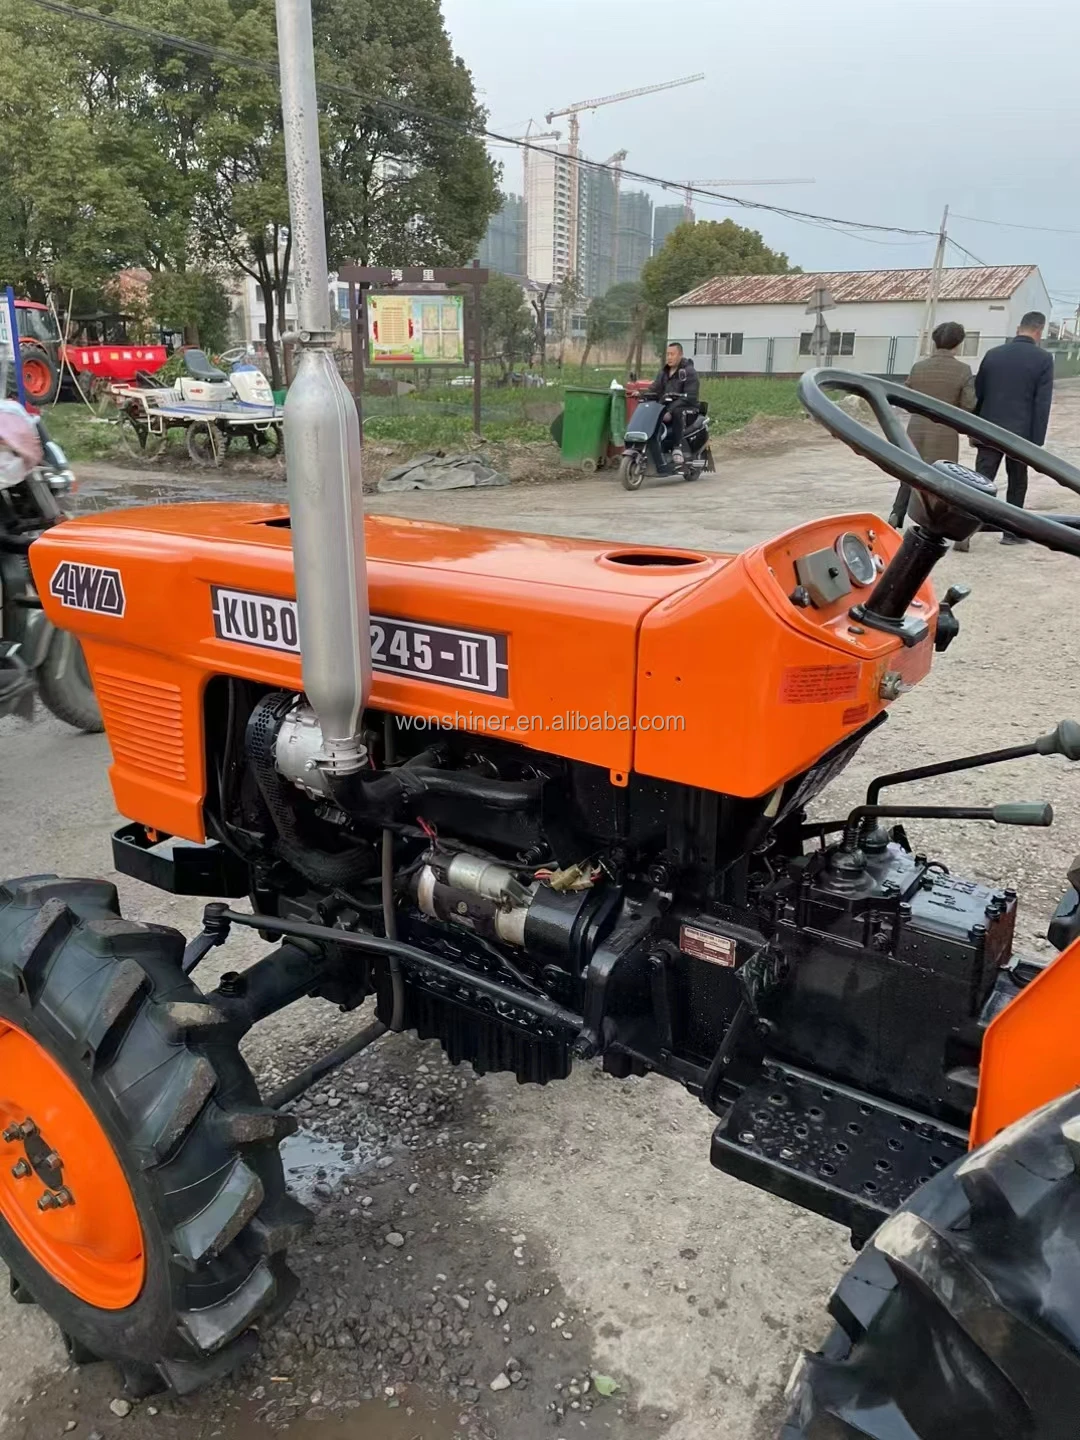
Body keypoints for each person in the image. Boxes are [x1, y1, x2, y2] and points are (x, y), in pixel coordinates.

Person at [973, 311, 1054, 546]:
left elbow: (980, 391)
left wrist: (976, 425)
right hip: (1021, 433)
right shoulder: (1043, 359)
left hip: (989, 427)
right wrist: (1036, 441)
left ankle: (967, 528)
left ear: (1019, 328)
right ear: (1039, 331)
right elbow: (1042, 403)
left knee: (980, 479)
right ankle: (1011, 533)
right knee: (1017, 479)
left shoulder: (993, 354)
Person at [889, 321, 976, 528]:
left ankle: (897, 512)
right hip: (945, 431)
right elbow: (968, 404)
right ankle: (936, 522)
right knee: (942, 479)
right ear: (958, 344)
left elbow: (905, 398)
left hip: (916, 428)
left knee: (910, 472)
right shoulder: (963, 370)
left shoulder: (918, 367)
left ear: (935, 342)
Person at [647, 342, 699, 465]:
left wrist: (670, 409)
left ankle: (677, 448)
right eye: (668, 354)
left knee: (676, 411)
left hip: (687, 407)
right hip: (667, 405)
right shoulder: (664, 372)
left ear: (680, 355)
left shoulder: (689, 372)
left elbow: (691, 396)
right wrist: (640, 394)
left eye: (672, 354)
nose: (669, 357)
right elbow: (655, 388)